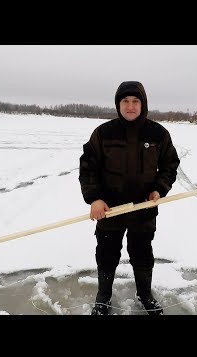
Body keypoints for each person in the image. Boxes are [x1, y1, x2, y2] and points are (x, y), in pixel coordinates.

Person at [79, 81, 180, 315]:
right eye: (125, 101)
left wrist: (160, 188)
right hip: (110, 209)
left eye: (135, 101)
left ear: (143, 104)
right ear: (118, 104)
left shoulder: (157, 133)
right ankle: (103, 295)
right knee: (107, 253)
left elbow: (170, 164)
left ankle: (145, 294)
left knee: (142, 254)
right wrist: (94, 199)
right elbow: (88, 167)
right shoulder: (103, 133)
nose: (130, 106)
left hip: (143, 208)